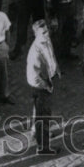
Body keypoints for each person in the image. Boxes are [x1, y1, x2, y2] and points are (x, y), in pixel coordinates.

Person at [26, 20, 61, 155]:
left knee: (38, 112)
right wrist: (46, 86)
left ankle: (36, 132)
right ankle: (43, 147)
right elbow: (33, 77)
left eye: (47, 31)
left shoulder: (46, 40)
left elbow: (51, 55)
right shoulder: (34, 53)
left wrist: (56, 68)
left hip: (47, 79)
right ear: (36, 34)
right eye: (43, 32)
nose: (47, 34)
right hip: (40, 86)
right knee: (44, 116)